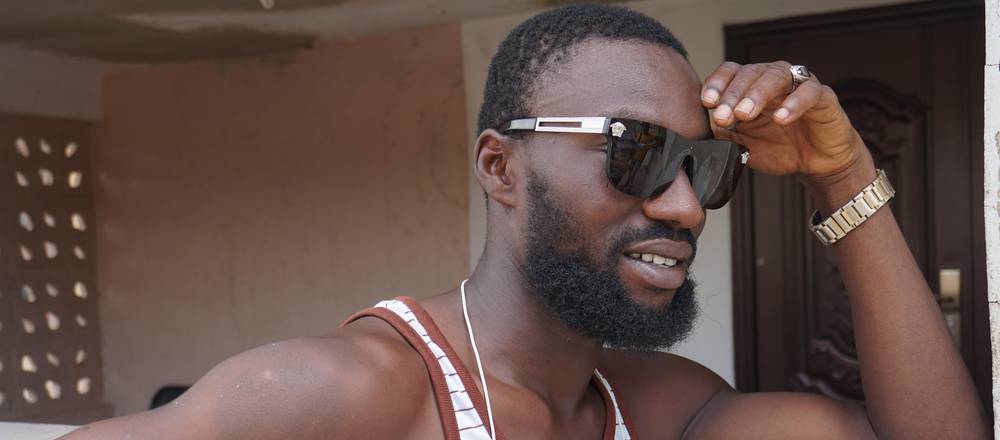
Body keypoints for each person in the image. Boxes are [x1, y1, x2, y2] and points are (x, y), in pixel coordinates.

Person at [65, 4, 986, 439]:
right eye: (634, 151)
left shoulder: (661, 408)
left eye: (702, 167)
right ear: (500, 166)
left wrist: (841, 174)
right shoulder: (347, 393)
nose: (682, 206)